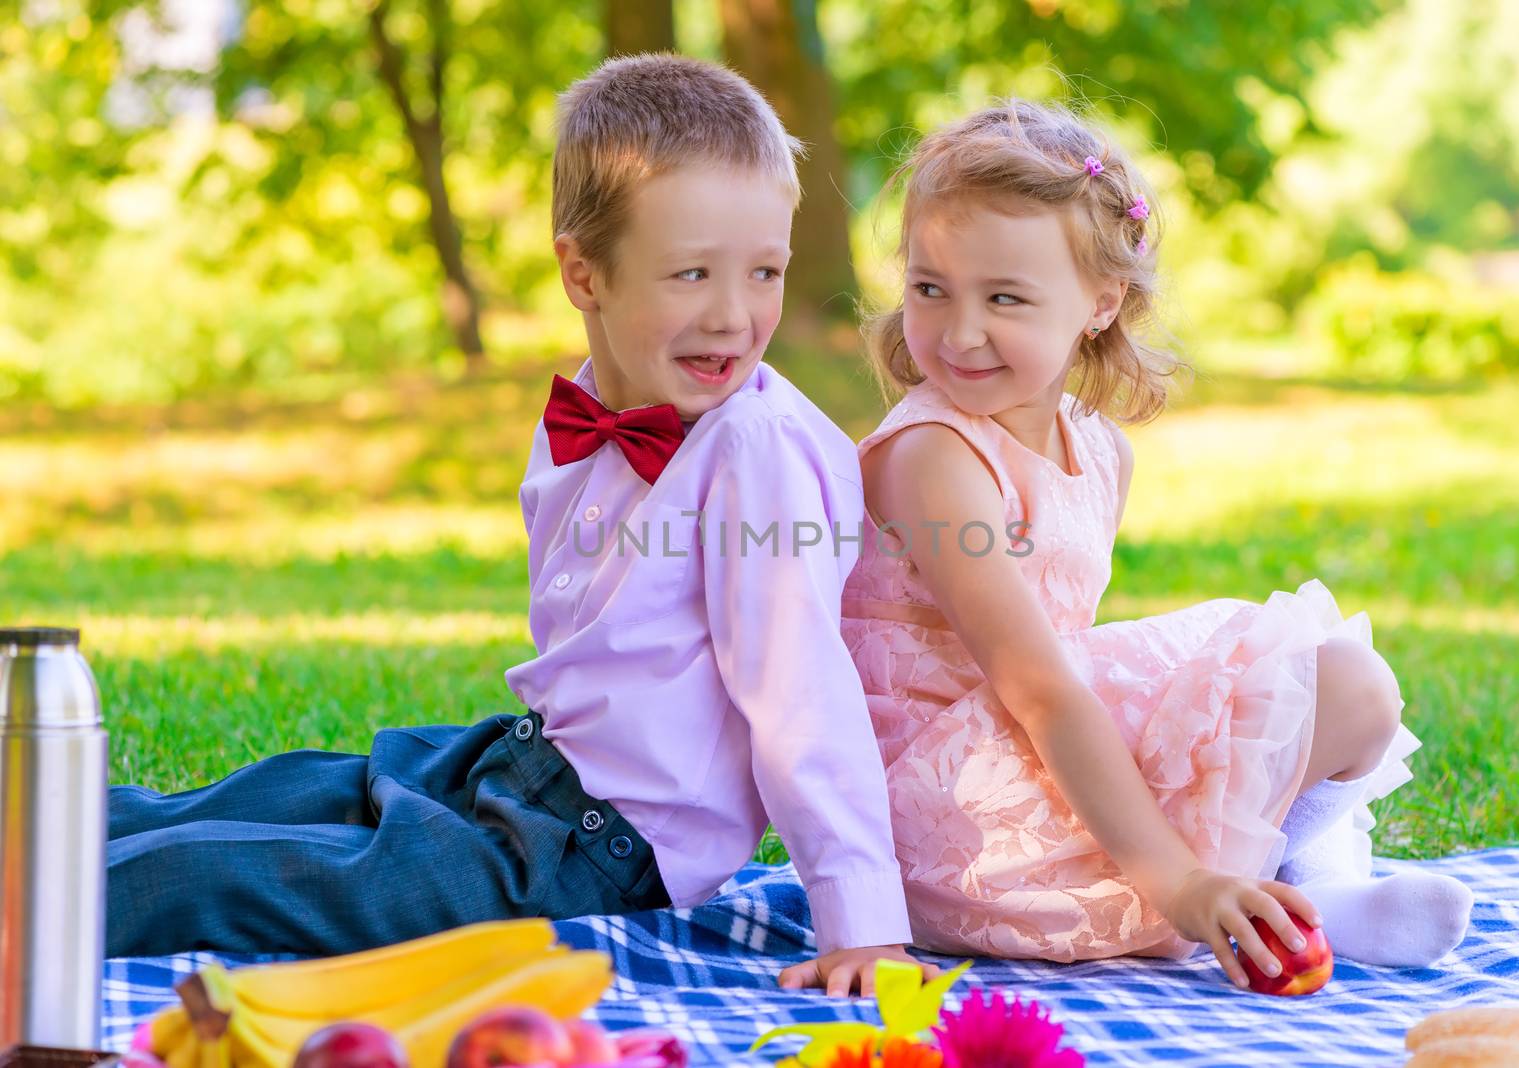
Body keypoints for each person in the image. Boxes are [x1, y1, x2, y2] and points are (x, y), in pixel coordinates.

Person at [109, 54, 924, 997]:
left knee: (235, 874)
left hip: (591, 854)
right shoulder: (582, 406)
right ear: (585, 274)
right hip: (520, 761)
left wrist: (859, 919)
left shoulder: (758, 450)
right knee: (258, 796)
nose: (734, 317)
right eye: (692, 273)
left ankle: (32, 903)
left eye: (766, 272)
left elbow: (801, 694)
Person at [840, 100, 1472, 985]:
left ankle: (1321, 884)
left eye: (1005, 298)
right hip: (946, 818)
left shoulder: (1099, 448)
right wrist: (1174, 882)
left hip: (1027, 745)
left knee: (1349, 686)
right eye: (929, 287)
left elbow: (1064, 676)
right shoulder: (933, 457)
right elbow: (1040, 686)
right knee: (1310, 679)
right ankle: (1266, 887)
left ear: (1101, 303)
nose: (959, 331)